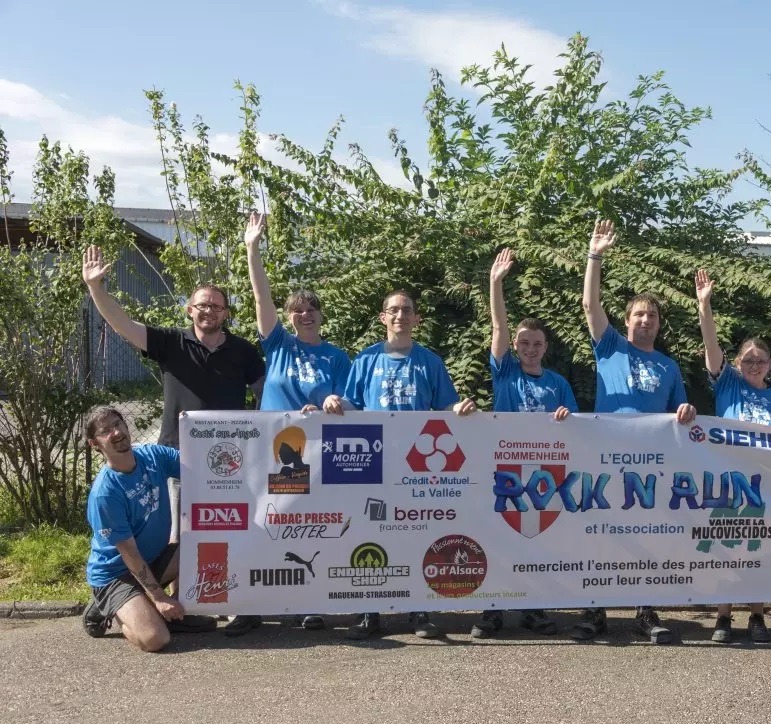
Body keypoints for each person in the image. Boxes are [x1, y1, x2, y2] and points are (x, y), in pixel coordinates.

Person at [81, 245, 266, 545]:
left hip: (231, 460)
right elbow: (122, 324)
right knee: (180, 542)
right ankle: (177, 594)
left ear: (226, 314)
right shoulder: (171, 343)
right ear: (190, 309)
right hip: (178, 460)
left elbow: (268, 396)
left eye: (217, 307)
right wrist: (95, 288)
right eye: (203, 305)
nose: (209, 310)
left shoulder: (243, 351)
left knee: (231, 537)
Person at [224, 212, 352, 637]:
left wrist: (337, 403)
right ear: (290, 317)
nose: (305, 315)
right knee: (261, 523)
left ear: (322, 315)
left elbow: (351, 402)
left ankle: (306, 603)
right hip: (270, 450)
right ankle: (248, 605)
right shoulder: (278, 344)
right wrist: (252, 248)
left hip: (311, 456)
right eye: (298, 310)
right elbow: (262, 299)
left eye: (312, 309)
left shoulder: (337, 357)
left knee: (303, 526)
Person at [323, 288, 477, 640]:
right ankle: (368, 610)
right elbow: (350, 404)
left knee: (418, 532)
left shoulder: (430, 362)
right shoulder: (365, 360)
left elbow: (444, 407)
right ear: (383, 318)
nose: (400, 316)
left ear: (416, 318)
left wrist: (458, 410)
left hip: (419, 467)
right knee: (368, 532)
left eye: (407, 310)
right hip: (373, 464)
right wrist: (332, 402)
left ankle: (421, 609)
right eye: (393, 310)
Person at [572, 219, 697, 644]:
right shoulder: (610, 346)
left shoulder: (669, 366)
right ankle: (594, 609)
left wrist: (685, 410)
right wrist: (595, 256)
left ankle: (646, 611)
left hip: (652, 462)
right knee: (601, 531)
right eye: (639, 313)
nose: (646, 319)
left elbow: (681, 413)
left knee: (649, 533)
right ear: (626, 321)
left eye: (652, 314)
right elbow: (590, 306)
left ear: (660, 324)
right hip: (605, 454)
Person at [472, 247, 578, 639]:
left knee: (537, 539)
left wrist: (568, 420)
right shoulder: (504, 374)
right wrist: (495, 283)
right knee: (498, 536)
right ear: (515, 346)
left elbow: (575, 428)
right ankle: (493, 608)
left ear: (545, 347)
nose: (530, 348)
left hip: (544, 473)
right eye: (524, 342)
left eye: (537, 343)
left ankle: (533, 606)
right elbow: (498, 328)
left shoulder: (558, 384)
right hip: (504, 468)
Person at [695, 268, 771, 644]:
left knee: (757, 547)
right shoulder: (728, 383)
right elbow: (710, 347)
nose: (753, 366)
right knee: (724, 545)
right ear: (737, 364)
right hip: (726, 478)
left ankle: (757, 616)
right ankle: (723, 617)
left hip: (765, 483)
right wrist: (705, 305)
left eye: (760, 361)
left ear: (770, 365)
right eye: (747, 361)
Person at [81, 406, 197, 652]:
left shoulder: (153, 456)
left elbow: (197, 467)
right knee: (155, 639)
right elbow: (129, 554)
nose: (116, 432)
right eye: (106, 431)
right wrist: (159, 598)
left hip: (151, 559)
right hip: (115, 575)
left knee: (197, 549)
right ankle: (104, 608)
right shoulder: (105, 494)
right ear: (94, 444)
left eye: (118, 424)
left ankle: (175, 614)